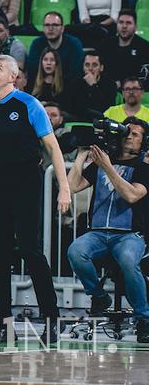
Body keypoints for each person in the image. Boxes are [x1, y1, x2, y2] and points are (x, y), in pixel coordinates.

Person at [0, 55, 71, 344]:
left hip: (27, 181)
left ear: (12, 77)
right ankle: (2, 321)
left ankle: (52, 318)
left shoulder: (29, 104)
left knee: (31, 250)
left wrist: (64, 188)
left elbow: (52, 147)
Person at [66, 118, 149, 342]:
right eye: (128, 133)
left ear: (144, 142)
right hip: (98, 232)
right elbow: (72, 186)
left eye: (136, 135)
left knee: (129, 262)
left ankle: (144, 318)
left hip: (129, 234)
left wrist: (108, 167)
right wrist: (82, 154)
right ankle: (99, 297)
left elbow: (132, 195)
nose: (129, 137)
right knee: (75, 251)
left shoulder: (143, 168)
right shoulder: (104, 161)